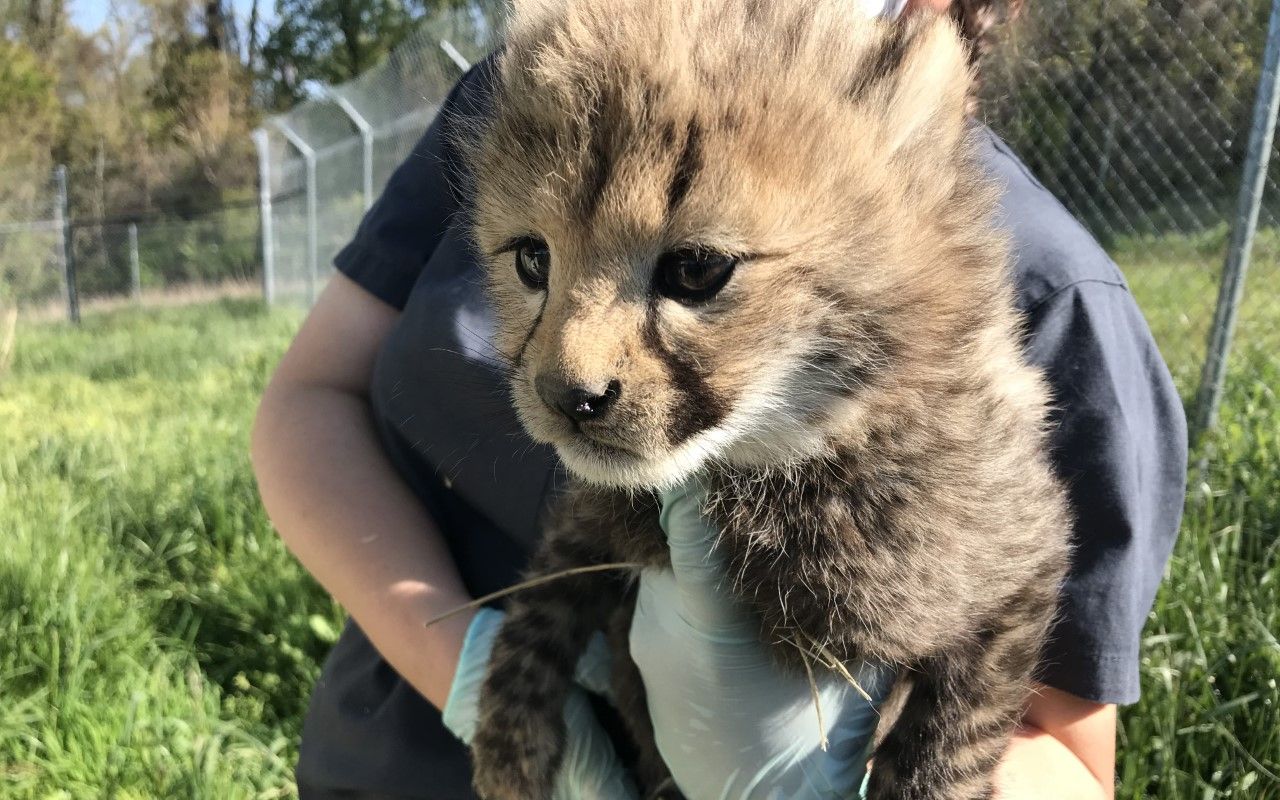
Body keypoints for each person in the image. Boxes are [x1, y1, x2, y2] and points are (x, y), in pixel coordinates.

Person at [249, 0, 1188, 797]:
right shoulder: (557, 81)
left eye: (695, 271)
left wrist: (860, 780)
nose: (572, 371)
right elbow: (309, 398)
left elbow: (1048, 681)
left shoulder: (1048, 289)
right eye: (534, 261)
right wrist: (486, 676)